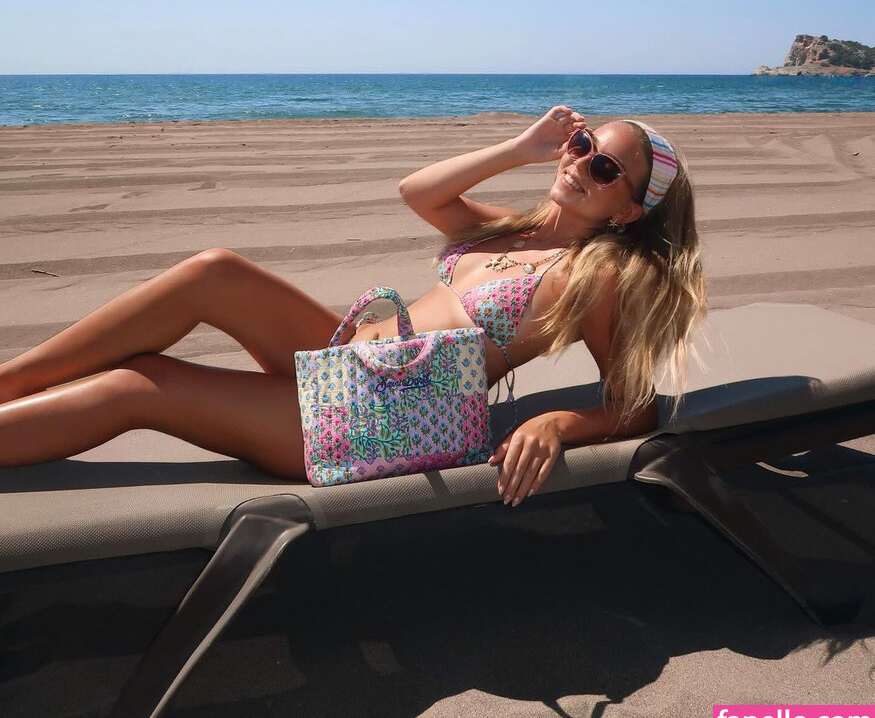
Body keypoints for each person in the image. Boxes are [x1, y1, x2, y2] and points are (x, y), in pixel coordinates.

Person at [0, 106, 706, 508]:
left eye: (604, 168)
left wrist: (555, 423)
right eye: (582, 146)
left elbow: (635, 405)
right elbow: (418, 191)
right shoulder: (511, 230)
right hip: (346, 357)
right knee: (215, 272)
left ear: (628, 211)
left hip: (376, 417)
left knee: (142, 385)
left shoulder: (596, 275)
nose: (578, 164)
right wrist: (523, 147)